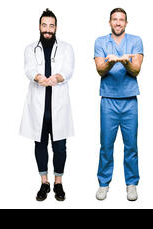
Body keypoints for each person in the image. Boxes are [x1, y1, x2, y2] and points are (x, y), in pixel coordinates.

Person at [20, 8, 75, 201]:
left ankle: (58, 183)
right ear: (39, 26)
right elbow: (29, 68)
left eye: (51, 26)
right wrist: (38, 77)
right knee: (40, 144)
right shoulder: (30, 48)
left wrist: (58, 77)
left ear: (56, 27)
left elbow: (68, 69)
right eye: (44, 25)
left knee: (60, 147)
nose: (48, 29)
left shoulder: (66, 48)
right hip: (38, 106)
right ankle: (44, 182)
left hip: (58, 106)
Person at [94, 8, 143, 201]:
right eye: (114, 19)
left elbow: (136, 69)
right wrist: (112, 62)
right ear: (109, 22)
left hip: (130, 100)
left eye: (121, 20)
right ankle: (103, 184)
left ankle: (131, 184)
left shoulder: (136, 41)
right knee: (106, 145)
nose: (118, 23)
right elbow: (100, 70)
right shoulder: (100, 42)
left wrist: (123, 61)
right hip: (108, 100)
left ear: (126, 23)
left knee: (131, 145)